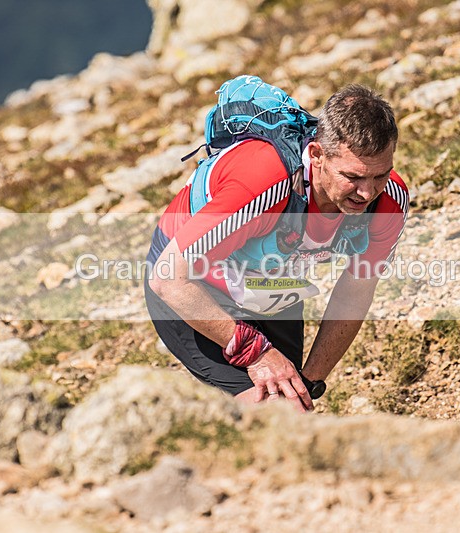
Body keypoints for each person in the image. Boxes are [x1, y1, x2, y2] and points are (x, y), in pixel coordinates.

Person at [144, 83, 409, 412]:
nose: (367, 193)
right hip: (190, 285)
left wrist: (309, 381)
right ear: (316, 155)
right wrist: (256, 353)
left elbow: (356, 289)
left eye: (380, 176)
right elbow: (168, 278)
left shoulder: (390, 201)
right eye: (353, 177)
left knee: (294, 407)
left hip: (270, 281)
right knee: (274, 412)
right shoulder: (266, 184)